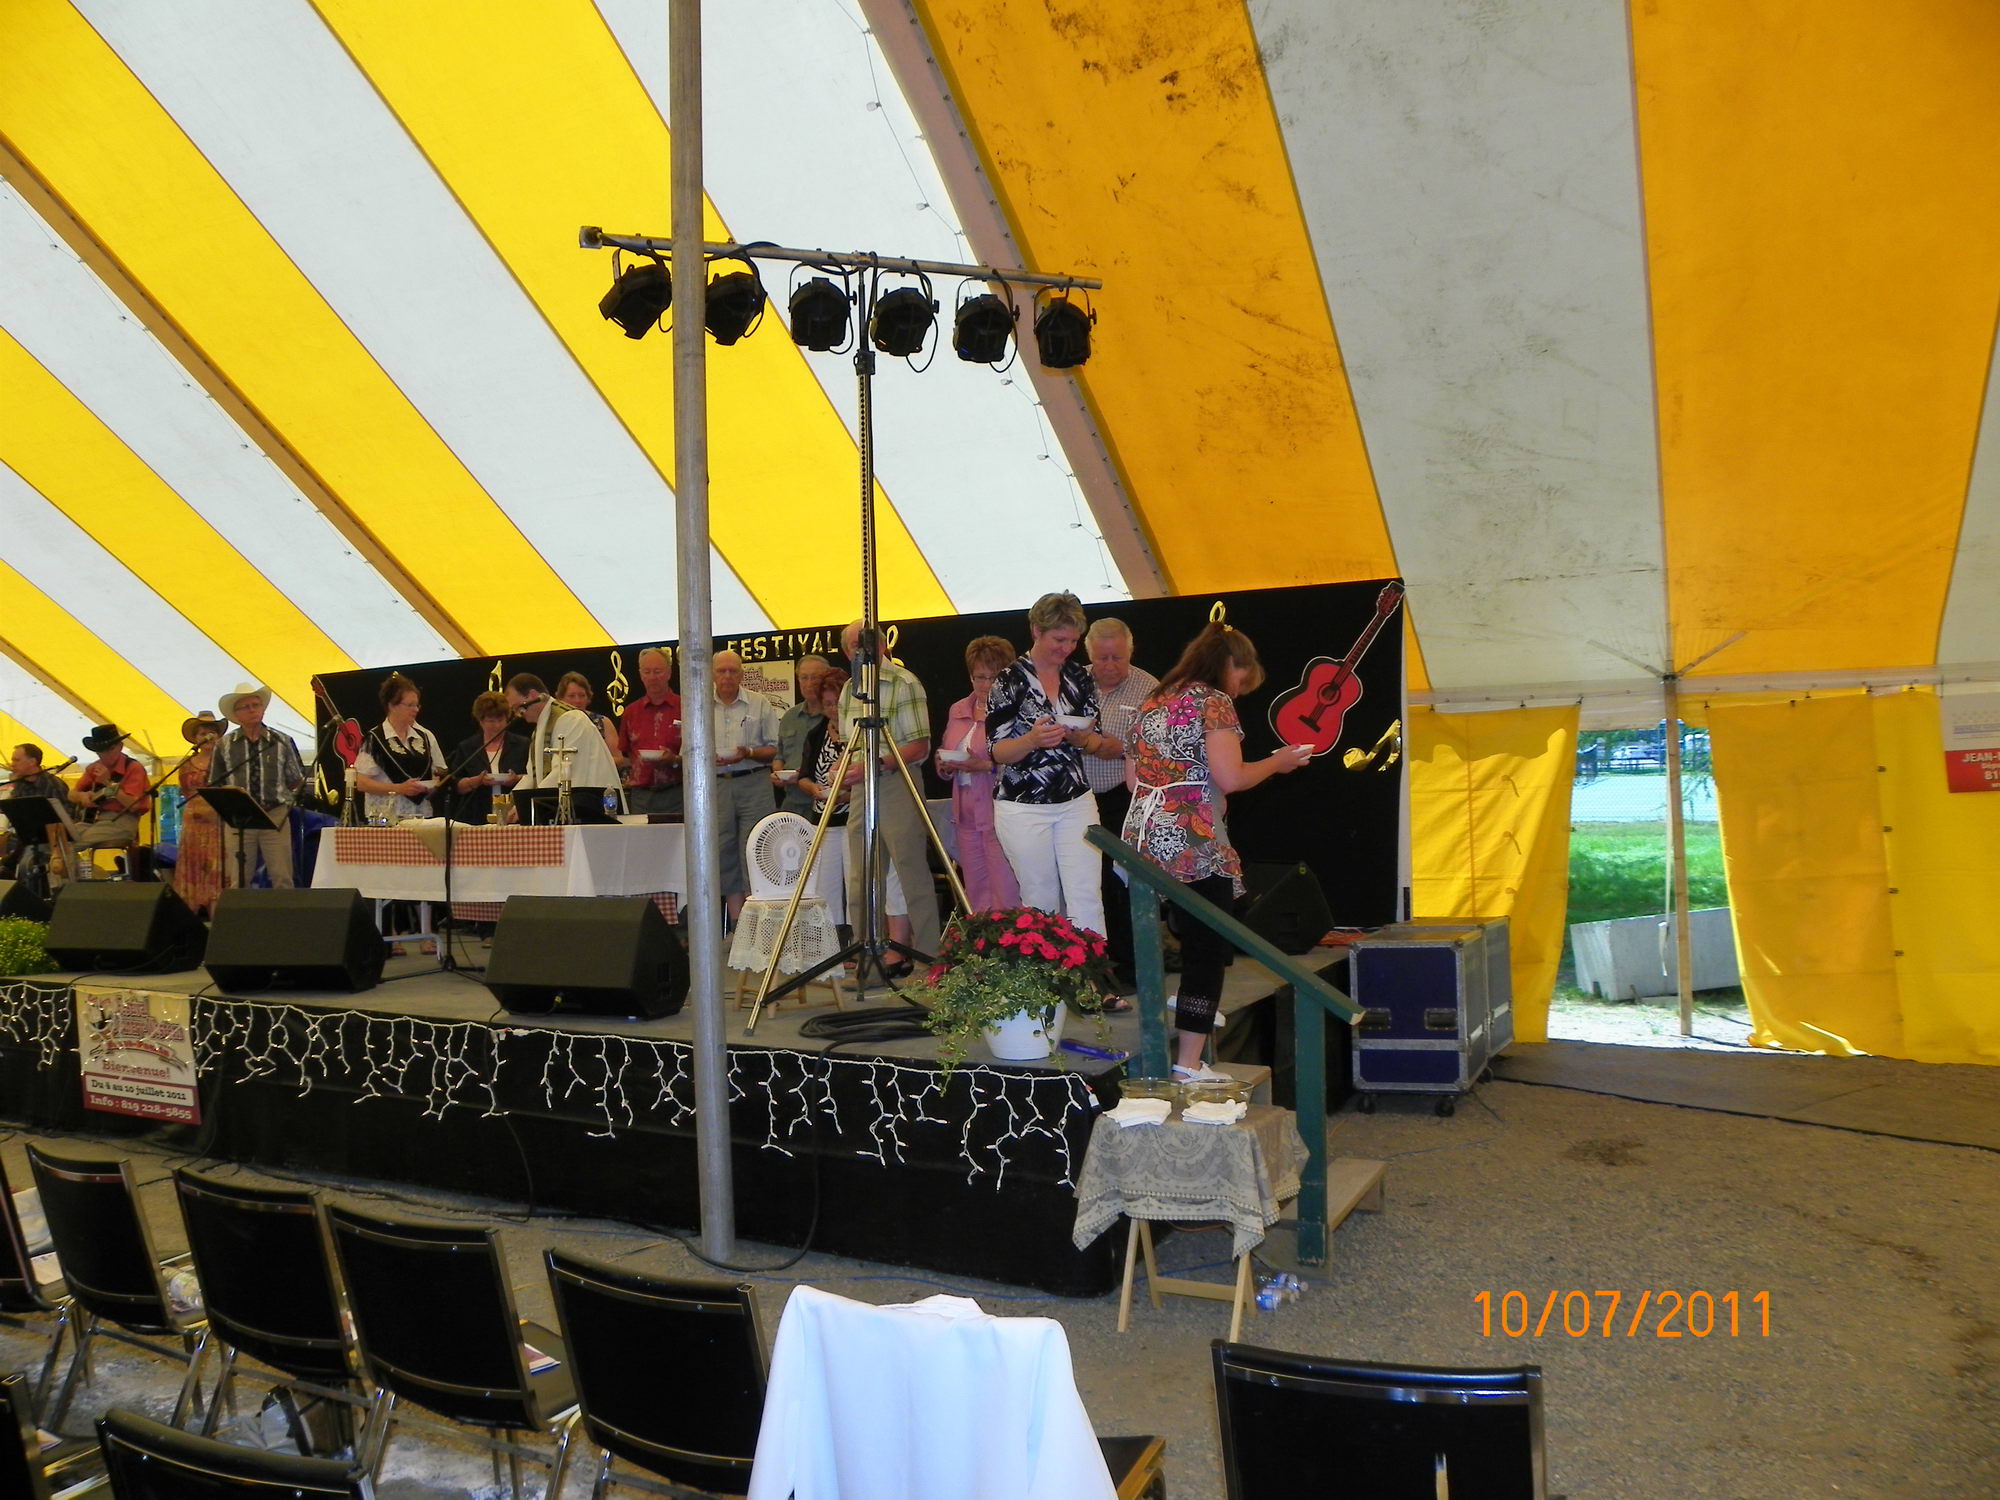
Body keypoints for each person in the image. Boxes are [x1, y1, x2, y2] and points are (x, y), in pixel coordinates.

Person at [1122, 621, 1311, 1081]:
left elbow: (1132, 780)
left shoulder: (1152, 702)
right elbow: (1232, 777)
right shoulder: (1212, 702)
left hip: (1143, 833)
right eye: (1241, 679)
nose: (1238, 690)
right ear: (1230, 663)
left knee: (1169, 941)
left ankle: (1187, 1017)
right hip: (1193, 836)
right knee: (1207, 949)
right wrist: (1278, 762)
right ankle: (1188, 1063)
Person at [986, 592, 1123, 939]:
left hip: (1076, 799)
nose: (1067, 648)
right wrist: (1032, 740)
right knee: (1040, 900)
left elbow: (1097, 740)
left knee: (1087, 895)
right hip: (1023, 805)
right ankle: (1050, 973)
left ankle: (1091, 969)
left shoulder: (1079, 676)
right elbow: (998, 751)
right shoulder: (1008, 679)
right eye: (1059, 640)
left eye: (1073, 641)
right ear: (1036, 630)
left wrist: (1083, 740)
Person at [834, 621, 942, 965]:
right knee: (860, 876)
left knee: (911, 872)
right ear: (846, 652)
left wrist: (876, 764)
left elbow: (919, 746)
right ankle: (866, 958)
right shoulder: (849, 689)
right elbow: (849, 744)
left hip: (898, 781)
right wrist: (842, 768)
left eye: (866, 643)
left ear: (883, 646)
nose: (861, 650)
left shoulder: (904, 682)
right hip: (861, 788)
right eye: (854, 645)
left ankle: (928, 959)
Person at [796, 668, 913, 946]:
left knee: (858, 881)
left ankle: (861, 939)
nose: (832, 710)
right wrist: (815, 790)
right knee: (825, 884)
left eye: (836, 704)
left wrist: (845, 796)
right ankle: (830, 942)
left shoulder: (858, 737)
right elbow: (804, 775)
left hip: (854, 815)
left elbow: (869, 776)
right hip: (824, 819)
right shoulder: (816, 734)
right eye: (826, 704)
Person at [1082, 617, 1160, 986]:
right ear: (1089, 655)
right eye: (1102, 658)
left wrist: (1122, 749)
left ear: (1131, 652)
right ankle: (1091, 963)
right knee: (1087, 882)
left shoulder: (1150, 688)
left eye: (1117, 657)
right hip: (1078, 796)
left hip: (1124, 797)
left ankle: (1131, 966)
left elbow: (1159, 747)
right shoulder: (1072, 681)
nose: (1110, 665)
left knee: (1122, 884)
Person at [936, 636, 1019, 913]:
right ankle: (982, 940)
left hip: (999, 812)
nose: (985, 685)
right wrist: (945, 765)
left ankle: (1011, 939)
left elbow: (1021, 763)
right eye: (979, 677)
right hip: (965, 815)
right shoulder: (958, 709)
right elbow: (946, 751)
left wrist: (983, 766)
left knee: (1006, 892)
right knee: (976, 893)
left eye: (993, 677)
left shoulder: (1013, 712)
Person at [711, 649, 781, 923]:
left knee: (755, 850)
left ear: (742, 674)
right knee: (723, 853)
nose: (727, 676)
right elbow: (687, 750)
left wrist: (749, 752)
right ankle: (739, 925)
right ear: (712, 674)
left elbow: (774, 749)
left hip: (754, 782)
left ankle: (760, 923)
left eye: (733, 671)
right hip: (716, 786)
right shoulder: (700, 707)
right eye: (722, 671)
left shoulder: (759, 703)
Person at [214, 683, 307, 888]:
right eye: (245, 707)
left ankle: (283, 910)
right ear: (236, 715)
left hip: (275, 814)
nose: (252, 710)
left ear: (263, 709)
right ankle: (240, 910)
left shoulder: (282, 741)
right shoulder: (224, 745)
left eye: (256, 705)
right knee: (238, 880)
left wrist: (281, 796)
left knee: (282, 877)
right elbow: (216, 782)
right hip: (239, 818)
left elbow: (296, 778)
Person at [506, 673, 620, 814]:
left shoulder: (571, 719)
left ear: (532, 695)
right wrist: (510, 803)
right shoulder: (541, 727)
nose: (518, 714)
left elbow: (563, 772)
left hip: (592, 807)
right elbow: (532, 776)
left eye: (518, 707)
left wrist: (528, 805)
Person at [60, 723, 151, 883]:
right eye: (101, 751)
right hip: (93, 821)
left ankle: (76, 886)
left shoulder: (133, 768)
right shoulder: (93, 768)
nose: (105, 755)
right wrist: (82, 797)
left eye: (110, 749)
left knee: (72, 845)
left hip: (121, 820)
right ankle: (89, 878)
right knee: (60, 841)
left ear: (120, 746)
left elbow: (133, 804)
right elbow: (71, 794)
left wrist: (108, 783)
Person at [352, 673, 447, 823]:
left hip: (421, 816)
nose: (416, 709)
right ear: (392, 706)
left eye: (417, 705)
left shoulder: (425, 737)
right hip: (385, 818)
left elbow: (439, 772)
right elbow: (361, 782)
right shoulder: (375, 739)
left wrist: (433, 784)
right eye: (410, 705)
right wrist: (399, 788)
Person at [173, 712, 227, 919]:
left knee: (215, 869)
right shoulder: (186, 763)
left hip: (217, 823)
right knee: (193, 866)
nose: (208, 737)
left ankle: (217, 916)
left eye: (212, 733)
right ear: (196, 738)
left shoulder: (225, 761)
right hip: (193, 825)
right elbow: (185, 791)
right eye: (203, 733)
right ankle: (190, 919)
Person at [446, 691, 528, 825]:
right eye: (491, 721)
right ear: (481, 721)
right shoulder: (467, 748)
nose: (497, 726)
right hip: (476, 816)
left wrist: (516, 778)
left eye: (501, 720)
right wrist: (476, 781)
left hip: (514, 815)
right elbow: (456, 785)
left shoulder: (522, 745)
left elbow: (534, 777)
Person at [620, 647, 683, 817]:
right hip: (641, 796)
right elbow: (625, 754)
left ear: (669, 673)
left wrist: (675, 760)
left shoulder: (685, 707)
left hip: (678, 793)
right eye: (647, 672)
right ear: (641, 675)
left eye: (658, 671)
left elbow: (699, 754)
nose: (652, 677)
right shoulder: (631, 712)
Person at [0, 744, 68, 886]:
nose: (12, 764)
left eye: (16, 760)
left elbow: (64, 818)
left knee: (26, 862)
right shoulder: (20, 785)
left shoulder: (53, 784)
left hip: (51, 840)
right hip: (25, 837)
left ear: (32, 762)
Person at [773, 655, 830, 819]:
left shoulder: (835, 717)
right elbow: (779, 755)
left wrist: (804, 776)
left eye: (815, 677)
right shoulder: (789, 716)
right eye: (804, 677)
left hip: (825, 804)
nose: (809, 683)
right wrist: (778, 773)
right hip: (791, 803)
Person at [556, 671, 628, 777]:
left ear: (588, 697)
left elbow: (618, 758)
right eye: (571, 696)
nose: (577, 700)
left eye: (582, 695)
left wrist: (588, 765)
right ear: (560, 699)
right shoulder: (555, 724)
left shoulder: (603, 722)